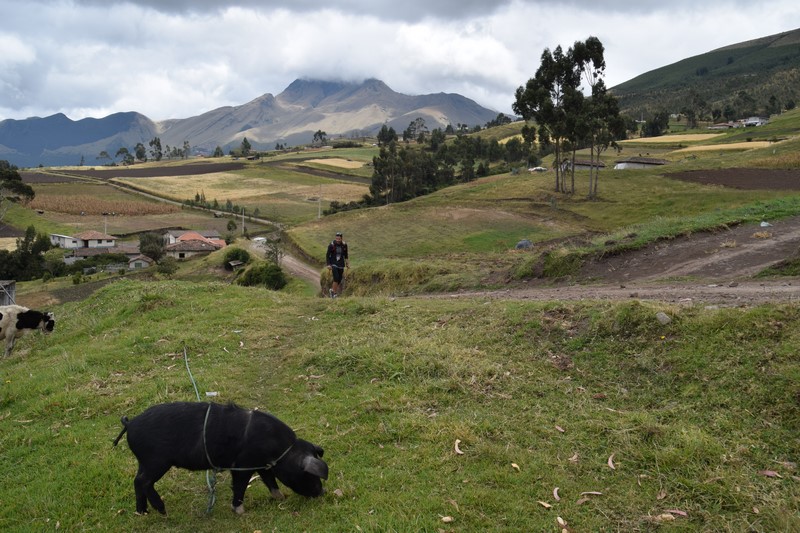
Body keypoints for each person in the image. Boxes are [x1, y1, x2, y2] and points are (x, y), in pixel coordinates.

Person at [325, 232, 349, 297]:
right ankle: (334, 293)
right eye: (336, 238)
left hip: (341, 264)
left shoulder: (344, 245)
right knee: (336, 277)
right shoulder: (331, 245)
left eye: (339, 239)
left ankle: (332, 290)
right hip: (333, 263)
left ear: (341, 238)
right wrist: (328, 264)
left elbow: (346, 255)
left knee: (339, 279)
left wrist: (347, 263)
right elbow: (327, 255)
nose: (337, 240)